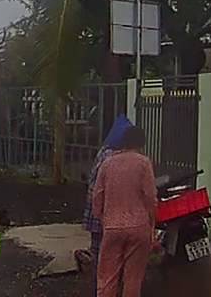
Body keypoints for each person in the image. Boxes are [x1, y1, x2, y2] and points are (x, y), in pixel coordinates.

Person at [92, 125, 156, 297]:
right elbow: (150, 197)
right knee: (133, 279)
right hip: (139, 227)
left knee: (107, 277)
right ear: (141, 143)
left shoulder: (107, 164)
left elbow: (97, 197)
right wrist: (152, 223)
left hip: (112, 227)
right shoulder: (143, 163)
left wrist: (104, 219)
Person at [83, 115, 132, 285]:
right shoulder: (114, 157)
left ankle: (102, 285)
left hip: (98, 211)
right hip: (106, 212)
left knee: (101, 252)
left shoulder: (104, 152)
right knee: (109, 253)